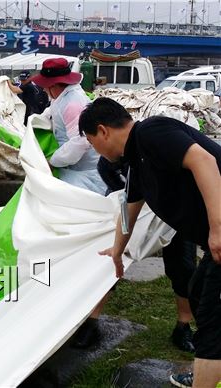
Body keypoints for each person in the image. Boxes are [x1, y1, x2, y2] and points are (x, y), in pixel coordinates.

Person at [79, 97, 221, 388]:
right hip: (213, 245)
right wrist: (117, 251)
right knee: (197, 291)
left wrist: (218, 228)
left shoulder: (152, 133)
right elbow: (129, 209)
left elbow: (204, 161)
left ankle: (207, 376)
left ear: (104, 131)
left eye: (94, 144)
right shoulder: (136, 163)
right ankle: (210, 370)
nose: (98, 153)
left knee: (212, 318)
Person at [96, 156, 197, 353]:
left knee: (183, 267)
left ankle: (183, 326)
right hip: (133, 207)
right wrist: (127, 193)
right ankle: (91, 321)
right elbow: (104, 167)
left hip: (176, 211)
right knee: (111, 257)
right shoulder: (127, 145)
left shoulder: (176, 140)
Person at [30, 57, 106, 195]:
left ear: (53, 85)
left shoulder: (73, 102)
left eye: (45, 87)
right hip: (76, 168)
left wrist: (53, 161)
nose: (44, 90)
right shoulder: (62, 98)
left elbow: (81, 140)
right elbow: (53, 111)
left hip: (86, 171)